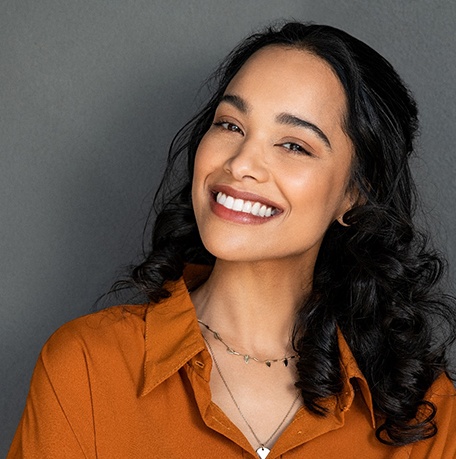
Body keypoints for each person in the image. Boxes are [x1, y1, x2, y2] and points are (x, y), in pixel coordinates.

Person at [8, 22, 456, 459]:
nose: (241, 163)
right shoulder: (86, 366)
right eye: (231, 125)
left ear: (355, 195)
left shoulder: (425, 415)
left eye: (294, 145)